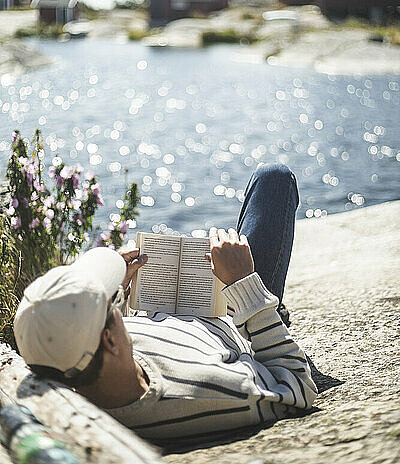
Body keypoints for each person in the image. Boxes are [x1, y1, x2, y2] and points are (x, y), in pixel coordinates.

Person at [14, 164, 317, 445]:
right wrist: (245, 286)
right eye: (107, 303)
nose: (113, 303)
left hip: (177, 317)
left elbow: (93, 344)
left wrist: (119, 293)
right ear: (109, 340)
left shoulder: (78, 364)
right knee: (274, 178)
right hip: (237, 314)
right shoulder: (218, 394)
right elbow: (295, 386)